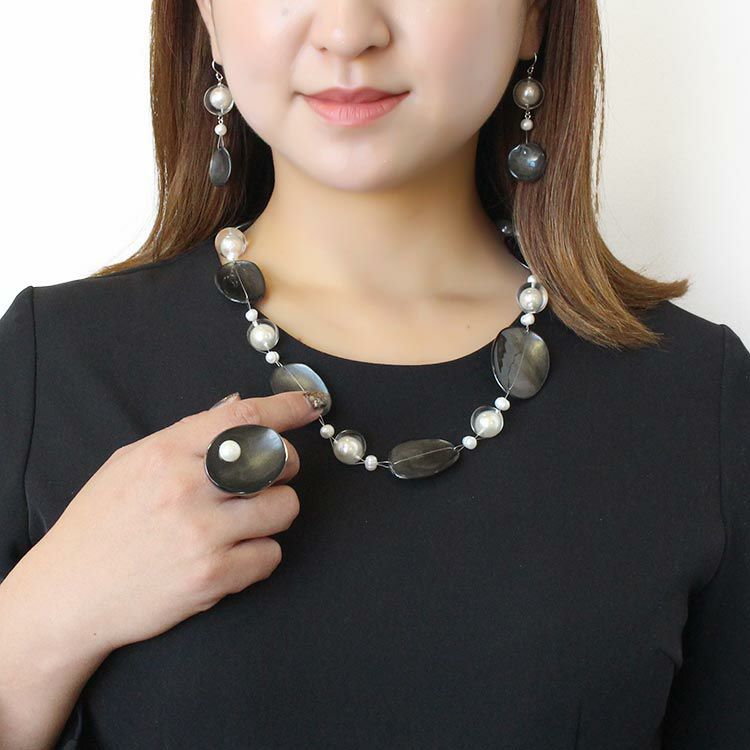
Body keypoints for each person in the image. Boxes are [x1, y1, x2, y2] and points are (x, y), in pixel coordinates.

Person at [0, 0, 748, 748]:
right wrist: (50, 612)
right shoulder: (50, 366)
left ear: (531, 16)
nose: (348, 31)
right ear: (209, 17)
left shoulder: (696, 403)